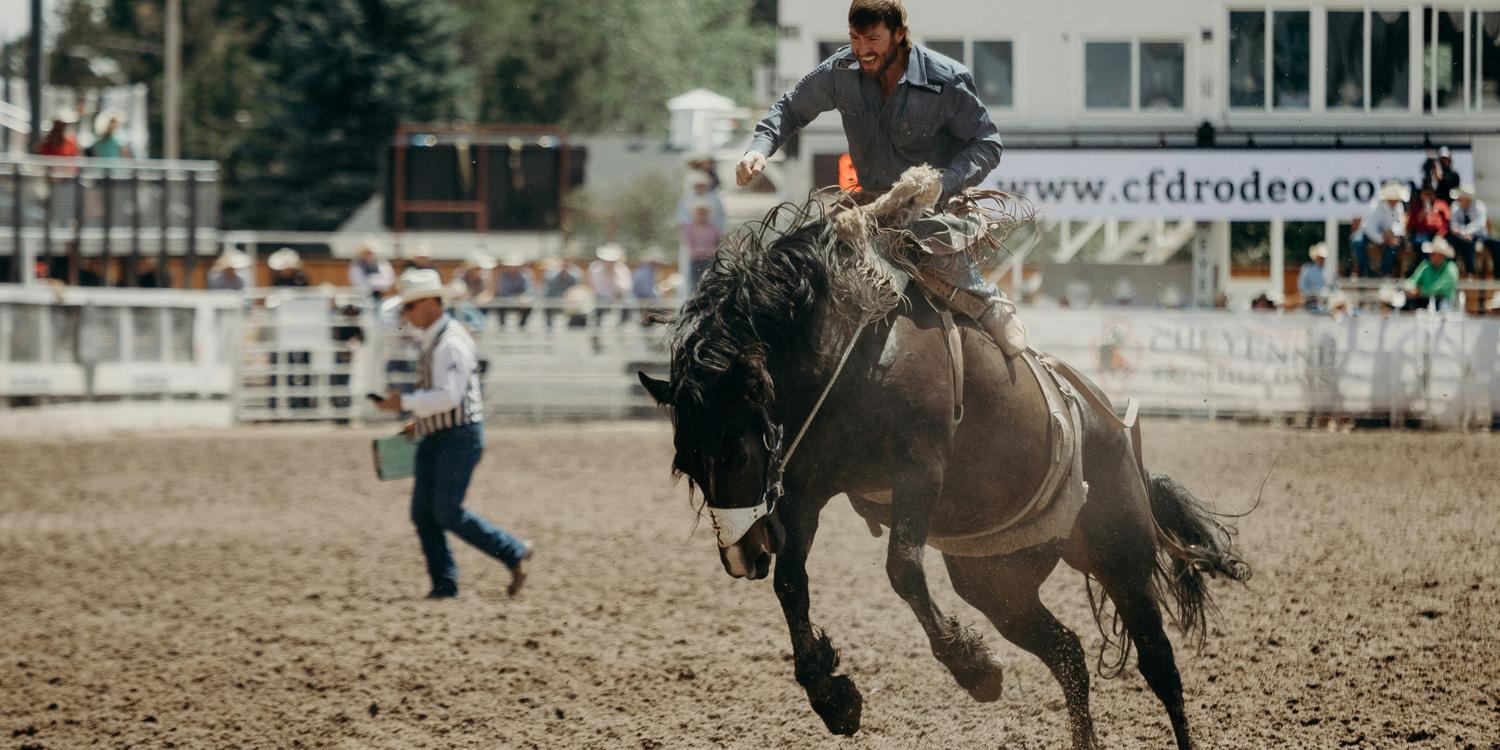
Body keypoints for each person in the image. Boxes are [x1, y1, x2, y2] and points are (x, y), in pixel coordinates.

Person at [736, 0, 1023, 356]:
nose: (862, 50)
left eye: (872, 39)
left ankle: (992, 303)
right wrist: (759, 149)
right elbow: (790, 109)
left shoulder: (946, 80)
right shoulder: (840, 70)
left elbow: (987, 144)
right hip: (864, 211)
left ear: (899, 35)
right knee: (799, 264)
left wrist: (943, 183)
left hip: (930, 213)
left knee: (954, 271)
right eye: (855, 37)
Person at [374, 269, 533, 599]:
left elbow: (448, 396)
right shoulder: (440, 338)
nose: (406, 315)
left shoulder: (450, 341)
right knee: (425, 512)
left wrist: (403, 402)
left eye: (409, 307)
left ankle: (512, 550)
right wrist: (418, 420)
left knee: (445, 511)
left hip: (458, 437)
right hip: (443, 435)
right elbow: (445, 398)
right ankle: (445, 583)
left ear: (429, 303)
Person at [1351, 182, 1408, 278]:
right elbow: (1369, 228)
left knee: (1394, 246)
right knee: (1357, 242)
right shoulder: (1376, 206)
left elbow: (1399, 224)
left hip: (1387, 235)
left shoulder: (1399, 207)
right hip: (1369, 233)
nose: (1395, 202)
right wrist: (1382, 238)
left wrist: (1392, 233)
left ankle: (1384, 273)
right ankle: (1365, 272)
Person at [1449, 185, 1496, 278]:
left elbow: (1479, 224)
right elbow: (1453, 225)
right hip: (1460, 237)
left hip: (1480, 236)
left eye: (1460, 198)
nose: (1458, 200)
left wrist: (1465, 232)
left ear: (1467, 199)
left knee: (1497, 244)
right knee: (1456, 243)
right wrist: (1464, 233)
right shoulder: (1455, 206)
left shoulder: (1479, 206)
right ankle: (1462, 272)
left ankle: (1497, 275)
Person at [1403, 236, 1459, 312]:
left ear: (1441, 256)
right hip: (1424, 298)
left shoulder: (1451, 268)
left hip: (1443, 300)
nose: (1430, 255)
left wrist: (1419, 292)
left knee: (1443, 307)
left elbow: (1441, 289)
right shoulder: (1425, 265)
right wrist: (1408, 288)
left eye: (1433, 254)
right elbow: (1413, 279)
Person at [680, 198, 721, 294]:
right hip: (695, 260)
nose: (701, 216)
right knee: (694, 285)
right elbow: (688, 243)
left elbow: (715, 242)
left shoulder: (713, 227)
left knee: (709, 285)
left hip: (709, 260)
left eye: (703, 213)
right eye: (699, 213)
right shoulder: (688, 228)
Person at [588, 243, 633, 325]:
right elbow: (598, 289)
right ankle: (597, 330)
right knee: (599, 302)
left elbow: (626, 288)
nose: (609, 263)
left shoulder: (622, 269)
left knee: (629, 301)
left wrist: (612, 278)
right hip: (602, 297)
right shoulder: (595, 269)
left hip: (619, 297)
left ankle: (621, 326)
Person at [1406, 183, 1450, 259]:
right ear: (1421, 194)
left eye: (1431, 194)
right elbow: (1411, 225)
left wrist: (1440, 234)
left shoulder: (1441, 205)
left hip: (1438, 236)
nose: (1429, 196)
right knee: (1422, 247)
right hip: (1421, 236)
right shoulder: (1416, 206)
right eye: (1426, 194)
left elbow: (1447, 223)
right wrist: (1423, 211)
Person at [494, 252, 535, 328]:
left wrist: (523, 298)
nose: (512, 268)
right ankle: (502, 326)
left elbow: (528, 290)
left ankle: (522, 325)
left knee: (528, 306)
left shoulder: (525, 275)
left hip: (521, 301)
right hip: (507, 300)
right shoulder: (503, 277)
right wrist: (517, 299)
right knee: (500, 305)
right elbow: (504, 292)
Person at [1297, 242, 1329, 311]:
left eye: (1323, 258)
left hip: (1325, 302)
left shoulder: (1328, 271)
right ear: (1316, 257)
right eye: (1320, 257)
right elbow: (1301, 287)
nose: (1322, 259)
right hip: (1309, 301)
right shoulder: (1307, 269)